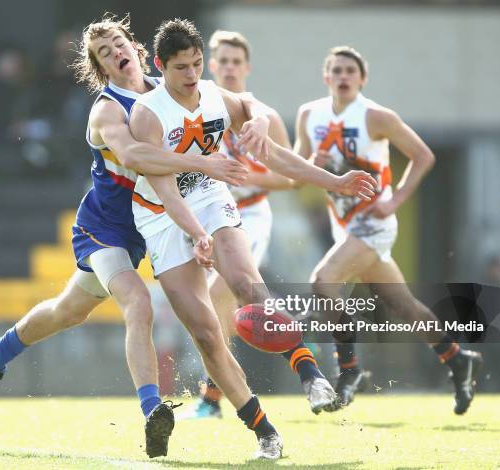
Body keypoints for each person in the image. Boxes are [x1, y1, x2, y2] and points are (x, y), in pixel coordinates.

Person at [0, 14, 248, 459]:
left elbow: (231, 105)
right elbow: (136, 153)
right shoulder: (106, 110)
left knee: (68, 311)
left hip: (149, 225)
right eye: (104, 53)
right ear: (101, 68)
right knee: (138, 302)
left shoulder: (170, 86)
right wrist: (207, 165)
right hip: (106, 227)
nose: (115, 52)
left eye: (118, 42)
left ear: (135, 47)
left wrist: (256, 126)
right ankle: (154, 411)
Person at [128, 19, 376, 459]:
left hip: (209, 197)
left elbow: (274, 148)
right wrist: (197, 234)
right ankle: (264, 431)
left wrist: (333, 181)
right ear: (159, 65)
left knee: (246, 284)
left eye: (197, 64)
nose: (191, 75)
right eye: (181, 67)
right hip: (161, 218)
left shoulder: (214, 96)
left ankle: (312, 377)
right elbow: (163, 188)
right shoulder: (148, 113)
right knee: (206, 334)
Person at [294, 45, 483, 413]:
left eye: (351, 71)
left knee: (323, 280)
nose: (343, 76)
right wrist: (309, 162)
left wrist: (394, 202)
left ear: (363, 79)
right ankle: (458, 359)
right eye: (337, 70)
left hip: (375, 223)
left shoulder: (376, 116)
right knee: (404, 305)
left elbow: (423, 155)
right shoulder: (308, 114)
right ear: (326, 76)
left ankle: (349, 370)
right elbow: (299, 169)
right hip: (345, 226)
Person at [185, 30, 340, 420]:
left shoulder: (264, 116)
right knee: (219, 305)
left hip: (249, 215)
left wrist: (250, 177)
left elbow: (291, 177)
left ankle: (220, 396)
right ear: (212, 65)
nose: (230, 67)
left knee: (225, 292)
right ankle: (286, 332)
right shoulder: (199, 109)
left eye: (237, 61)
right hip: (208, 218)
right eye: (223, 60)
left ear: (247, 67)